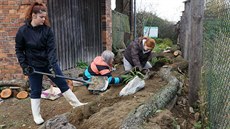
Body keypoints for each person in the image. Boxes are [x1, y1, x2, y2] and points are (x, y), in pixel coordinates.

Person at [15, 2, 86, 125]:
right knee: (36, 90)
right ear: (33, 15)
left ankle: (77, 105)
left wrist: (52, 66)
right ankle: (37, 116)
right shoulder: (23, 31)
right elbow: (19, 50)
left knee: (62, 83)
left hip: (48, 64)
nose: (44, 19)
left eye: (44, 17)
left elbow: (51, 50)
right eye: (41, 17)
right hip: (33, 66)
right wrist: (24, 66)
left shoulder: (47, 31)